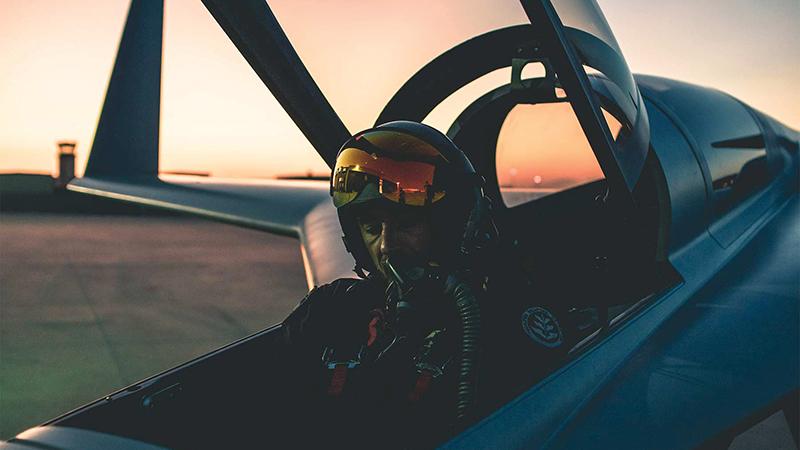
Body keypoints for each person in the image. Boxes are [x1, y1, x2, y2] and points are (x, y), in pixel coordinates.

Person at [277, 121, 596, 448]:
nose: (386, 246)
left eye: (406, 223)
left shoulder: (503, 326)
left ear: (450, 229)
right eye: (372, 227)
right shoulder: (332, 310)